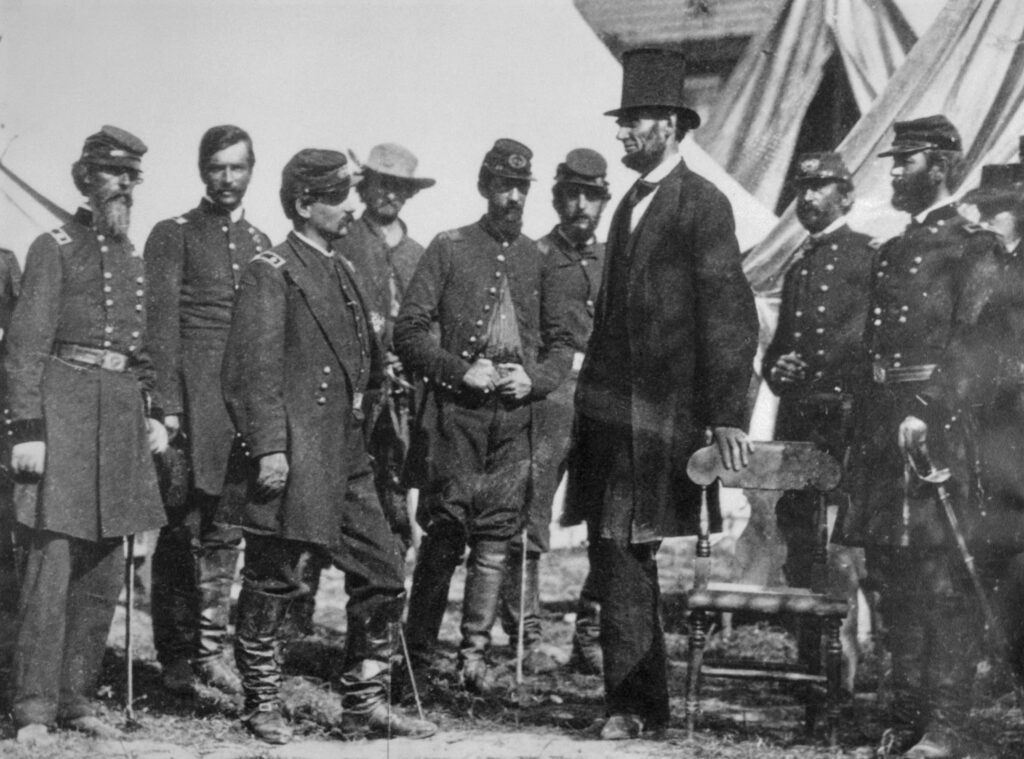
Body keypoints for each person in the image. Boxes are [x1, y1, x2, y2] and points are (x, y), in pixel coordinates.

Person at [563, 48, 758, 740]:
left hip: (666, 419)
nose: (622, 135)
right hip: (615, 419)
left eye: (635, 122)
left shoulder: (701, 204)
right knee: (613, 548)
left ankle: (635, 705)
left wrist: (727, 416)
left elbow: (731, 314)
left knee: (625, 548)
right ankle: (635, 703)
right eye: (622, 123)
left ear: (672, 126)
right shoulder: (627, 206)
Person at [221, 148, 437, 744]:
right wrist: (269, 448)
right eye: (339, 197)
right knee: (275, 580)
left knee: (384, 571)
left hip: (346, 456)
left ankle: (362, 705)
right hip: (293, 455)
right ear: (303, 203)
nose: (350, 208)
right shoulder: (273, 270)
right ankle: (261, 704)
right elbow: (251, 373)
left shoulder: (341, 269)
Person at [840, 116, 1005, 759]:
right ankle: (903, 721)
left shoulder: (973, 247)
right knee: (893, 575)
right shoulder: (892, 250)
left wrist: (929, 410)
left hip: (941, 432)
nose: (894, 172)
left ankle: (947, 728)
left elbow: (978, 346)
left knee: (943, 579)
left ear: (940, 166)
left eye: (904, 161)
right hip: (885, 429)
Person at [5, 126, 167, 745]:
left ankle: (76, 698)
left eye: (133, 176)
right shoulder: (54, 247)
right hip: (64, 415)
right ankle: (33, 710)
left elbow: (143, 349)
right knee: (51, 567)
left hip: (120, 418)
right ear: (84, 179)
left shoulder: (134, 258)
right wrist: (28, 430)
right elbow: (24, 348)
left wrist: (155, 412)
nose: (125, 185)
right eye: (113, 174)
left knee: (103, 571)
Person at [395, 138, 573, 694]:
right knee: (446, 533)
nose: (513, 197)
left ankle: (473, 656)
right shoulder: (449, 248)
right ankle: (418, 654)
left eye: (521, 187)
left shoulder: (540, 259)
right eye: (503, 185)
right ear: (483, 186)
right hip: (456, 415)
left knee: (496, 540)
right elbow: (408, 331)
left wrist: (536, 379)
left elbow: (564, 345)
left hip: (514, 418)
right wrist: (456, 370)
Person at [145, 124, 272, 696]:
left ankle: (211, 651)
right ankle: (174, 658)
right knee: (179, 530)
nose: (227, 178)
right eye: (217, 167)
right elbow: (161, 327)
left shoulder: (261, 243)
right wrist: (168, 408)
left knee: (226, 530)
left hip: (238, 406)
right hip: (189, 405)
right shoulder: (173, 234)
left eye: (237, 167)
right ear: (203, 170)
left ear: (252, 171)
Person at [497, 148, 610, 675]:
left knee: (611, 521)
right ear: (557, 199)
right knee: (529, 516)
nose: (581, 206)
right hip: (549, 400)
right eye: (573, 195)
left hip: (606, 401)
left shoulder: (617, 259)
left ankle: (593, 633)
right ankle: (527, 637)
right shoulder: (533, 256)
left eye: (592, 196)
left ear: (604, 201)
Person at [762, 152, 872, 670]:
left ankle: (844, 668)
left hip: (848, 423)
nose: (807, 198)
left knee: (847, 545)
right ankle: (812, 666)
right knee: (800, 539)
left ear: (845, 195)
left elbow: (875, 346)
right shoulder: (799, 265)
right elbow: (779, 347)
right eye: (802, 189)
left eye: (820, 188)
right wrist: (774, 368)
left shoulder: (869, 256)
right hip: (801, 425)